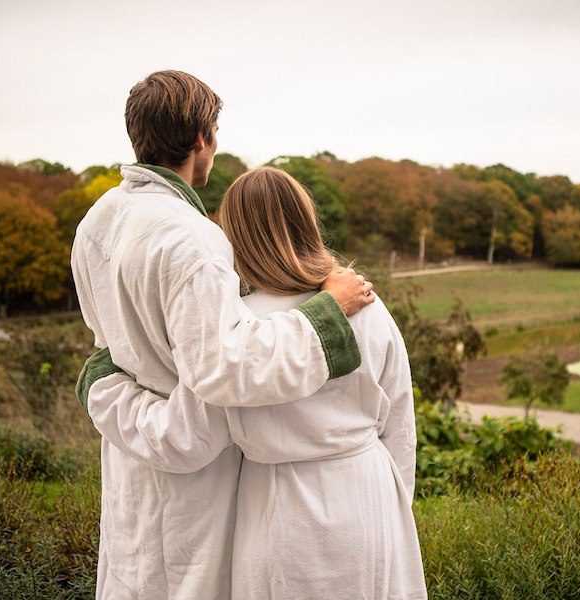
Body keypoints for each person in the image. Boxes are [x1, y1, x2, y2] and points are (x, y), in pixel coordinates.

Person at [71, 70, 374, 600]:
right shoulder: (193, 238)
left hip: (129, 452)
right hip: (191, 475)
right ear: (202, 139)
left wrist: (103, 377)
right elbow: (224, 368)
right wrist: (328, 313)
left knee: (133, 577)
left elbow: (109, 344)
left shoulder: (99, 219)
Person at [91, 167, 427, 599]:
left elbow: (194, 426)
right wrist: (395, 501)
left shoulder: (233, 327)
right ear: (306, 222)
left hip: (277, 508)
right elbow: (400, 423)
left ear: (233, 237)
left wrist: (107, 383)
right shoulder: (366, 305)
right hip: (368, 491)